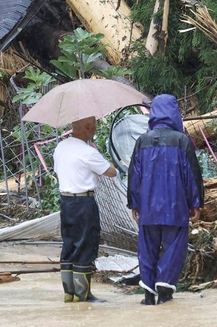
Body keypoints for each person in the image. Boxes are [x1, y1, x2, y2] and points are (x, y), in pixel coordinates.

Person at [126, 94, 203, 305]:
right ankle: (165, 287)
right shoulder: (182, 141)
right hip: (176, 206)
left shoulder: (142, 141)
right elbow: (192, 176)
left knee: (147, 249)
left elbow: (134, 175)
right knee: (174, 247)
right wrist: (195, 203)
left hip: (148, 208)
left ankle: (149, 295)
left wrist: (134, 203)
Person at [52, 115, 117, 303]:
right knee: (86, 244)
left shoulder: (60, 147)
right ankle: (83, 295)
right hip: (84, 203)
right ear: (88, 127)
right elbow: (111, 172)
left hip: (66, 202)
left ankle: (69, 293)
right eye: (94, 127)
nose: (95, 130)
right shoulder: (87, 151)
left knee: (70, 243)